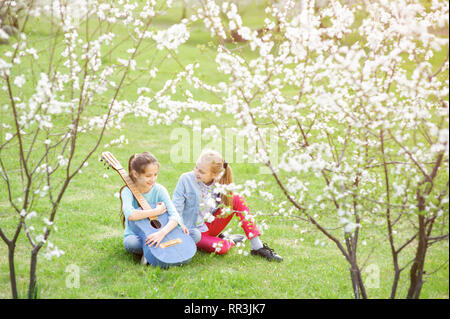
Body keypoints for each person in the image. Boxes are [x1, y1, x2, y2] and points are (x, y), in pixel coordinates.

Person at [172, 149, 283, 262]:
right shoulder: (185, 180)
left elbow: (230, 202)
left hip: (210, 225)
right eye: (196, 167)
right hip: (193, 232)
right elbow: (175, 210)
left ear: (214, 175)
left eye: (202, 172)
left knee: (237, 199)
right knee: (222, 248)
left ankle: (257, 246)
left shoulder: (219, 184)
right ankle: (230, 240)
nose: (196, 172)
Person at [120, 152, 188, 265]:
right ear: (135, 174)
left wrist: (161, 233)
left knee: (193, 235)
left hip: (161, 233)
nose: (153, 179)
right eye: (148, 176)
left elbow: (175, 215)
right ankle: (159, 250)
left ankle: (153, 251)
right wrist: (156, 211)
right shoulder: (127, 191)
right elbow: (130, 214)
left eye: (155, 174)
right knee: (131, 243)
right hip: (137, 236)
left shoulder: (159, 190)